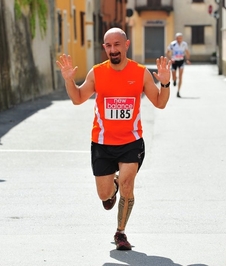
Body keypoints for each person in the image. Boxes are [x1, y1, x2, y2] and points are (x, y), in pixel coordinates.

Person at [56, 27, 171, 251]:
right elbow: (78, 98)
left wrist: (165, 83)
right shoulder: (97, 72)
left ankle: (121, 232)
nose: (112, 49)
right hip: (102, 143)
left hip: (131, 142)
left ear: (126, 45)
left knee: (128, 187)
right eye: (108, 45)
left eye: (117, 44)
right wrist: (70, 81)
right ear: (104, 48)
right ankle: (113, 185)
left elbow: (160, 102)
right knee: (104, 195)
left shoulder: (140, 73)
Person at [166, 32, 190, 98]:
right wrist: (171, 59)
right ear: (176, 38)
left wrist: (187, 59)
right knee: (174, 75)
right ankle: (174, 80)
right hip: (174, 62)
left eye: (180, 38)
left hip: (181, 61)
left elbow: (187, 52)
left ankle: (178, 91)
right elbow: (167, 53)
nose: (179, 39)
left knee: (180, 76)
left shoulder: (184, 44)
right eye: (178, 38)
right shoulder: (172, 44)